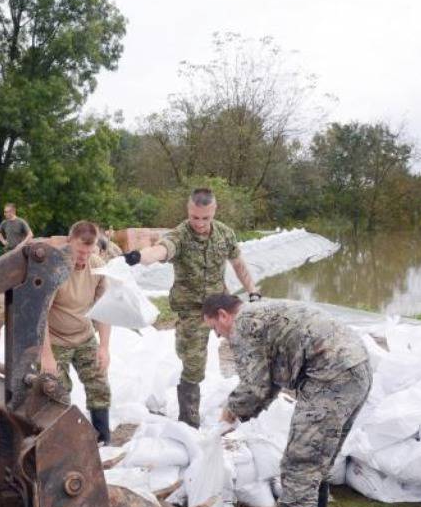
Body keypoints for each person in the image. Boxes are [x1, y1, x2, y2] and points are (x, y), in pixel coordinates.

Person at [201, 293, 372, 507]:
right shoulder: (262, 315)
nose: (219, 336)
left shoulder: (243, 325)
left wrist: (230, 412)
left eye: (214, 328)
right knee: (321, 454)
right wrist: (242, 414)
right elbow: (270, 383)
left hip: (331, 375)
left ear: (223, 315)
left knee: (298, 463)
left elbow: (254, 386)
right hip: (357, 367)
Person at [122, 188, 259, 427]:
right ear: (189, 211)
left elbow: (239, 264)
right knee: (193, 363)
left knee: (247, 346)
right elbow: (161, 251)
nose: (200, 223)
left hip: (220, 305)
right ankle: (189, 420)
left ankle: (248, 404)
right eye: (195, 217)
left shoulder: (225, 234)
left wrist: (253, 291)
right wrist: (138, 257)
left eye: (205, 218)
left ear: (214, 211)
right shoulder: (180, 235)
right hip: (193, 310)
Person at [40, 221, 112, 444]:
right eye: (81, 251)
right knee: (56, 392)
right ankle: (63, 444)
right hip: (56, 340)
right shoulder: (54, 269)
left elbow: (104, 308)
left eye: (89, 252)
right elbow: (39, 316)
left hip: (84, 336)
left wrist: (104, 347)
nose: (84, 257)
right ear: (69, 242)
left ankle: (102, 440)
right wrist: (46, 357)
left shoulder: (97, 265)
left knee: (99, 384)